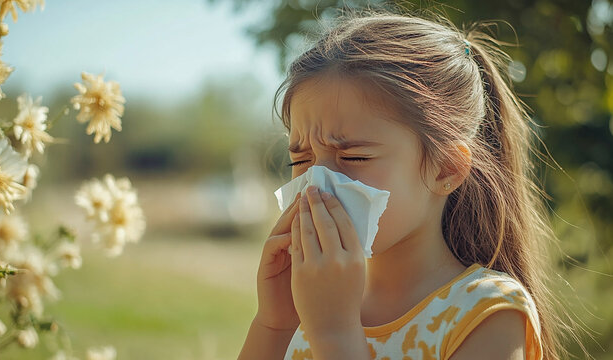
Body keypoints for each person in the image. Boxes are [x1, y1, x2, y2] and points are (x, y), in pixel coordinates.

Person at [238, 10, 583, 360]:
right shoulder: (311, 303)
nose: (317, 185)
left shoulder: (487, 312)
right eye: (302, 160)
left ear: (446, 168)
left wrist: (335, 335)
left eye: (354, 157)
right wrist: (275, 323)